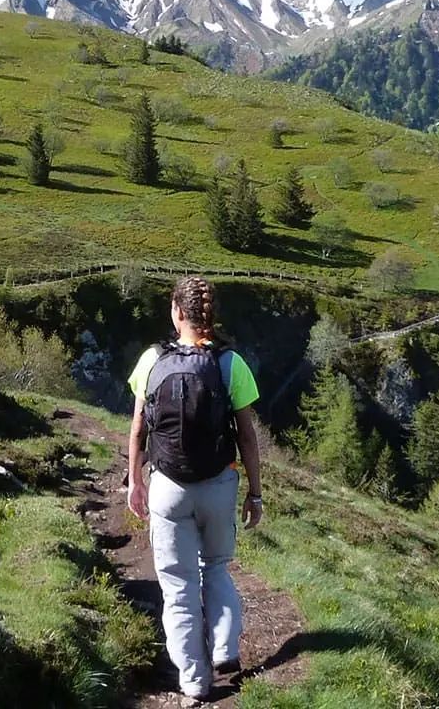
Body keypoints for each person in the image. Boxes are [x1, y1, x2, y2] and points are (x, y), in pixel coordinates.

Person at [127, 276, 265, 705]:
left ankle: (193, 682)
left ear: (176, 312)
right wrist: (255, 492)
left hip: (168, 486)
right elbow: (247, 436)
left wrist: (135, 481)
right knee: (217, 566)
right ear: (210, 314)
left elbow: (138, 429)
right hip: (219, 484)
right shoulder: (230, 365)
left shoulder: (151, 360)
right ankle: (225, 647)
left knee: (177, 584)